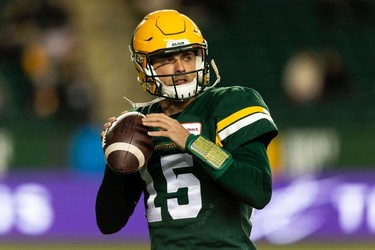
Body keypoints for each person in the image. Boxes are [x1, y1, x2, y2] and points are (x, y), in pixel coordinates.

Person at [96, 9, 278, 250]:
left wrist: (192, 142)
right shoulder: (140, 122)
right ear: (145, 66)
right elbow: (109, 223)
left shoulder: (230, 102)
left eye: (188, 56)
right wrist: (115, 159)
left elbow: (258, 191)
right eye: (167, 59)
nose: (180, 67)